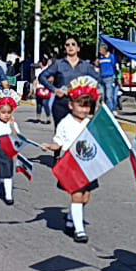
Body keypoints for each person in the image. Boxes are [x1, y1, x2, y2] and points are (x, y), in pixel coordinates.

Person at [43, 77, 102, 243]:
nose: (84, 110)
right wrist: (50, 146)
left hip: (88, 164)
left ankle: (70, 219)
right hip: (71, 164)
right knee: (76, 196)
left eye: (87, 106)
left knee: (85, 197)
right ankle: (79, 230)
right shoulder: (65, 123)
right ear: (71, 105)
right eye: (80, 106)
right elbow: (59, 143)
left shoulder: (91, 123)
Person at [38, 37, 100, 128]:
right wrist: (55, 90)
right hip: (61, 103)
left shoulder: (86, 66)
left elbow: (98, 80)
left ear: (78, 48)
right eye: (67, 45)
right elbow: (42, 77)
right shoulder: (58, 64)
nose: (70, 47)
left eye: (73, 44)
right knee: (61, 134)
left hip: (80, 104)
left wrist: (93, 94)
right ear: (65, 48)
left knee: (78, 134)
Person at [97, 45, 119, 112]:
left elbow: (115, 67)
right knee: (102, 95)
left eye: (101, 50)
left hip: (109, 78)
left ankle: (111, 110)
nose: (99, 51)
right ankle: (104, 109)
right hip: (101, 78)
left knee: (108, 96)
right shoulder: (100, 58)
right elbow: (99, 67)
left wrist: (116, 77)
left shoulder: (111, 57)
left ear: (105, 50)